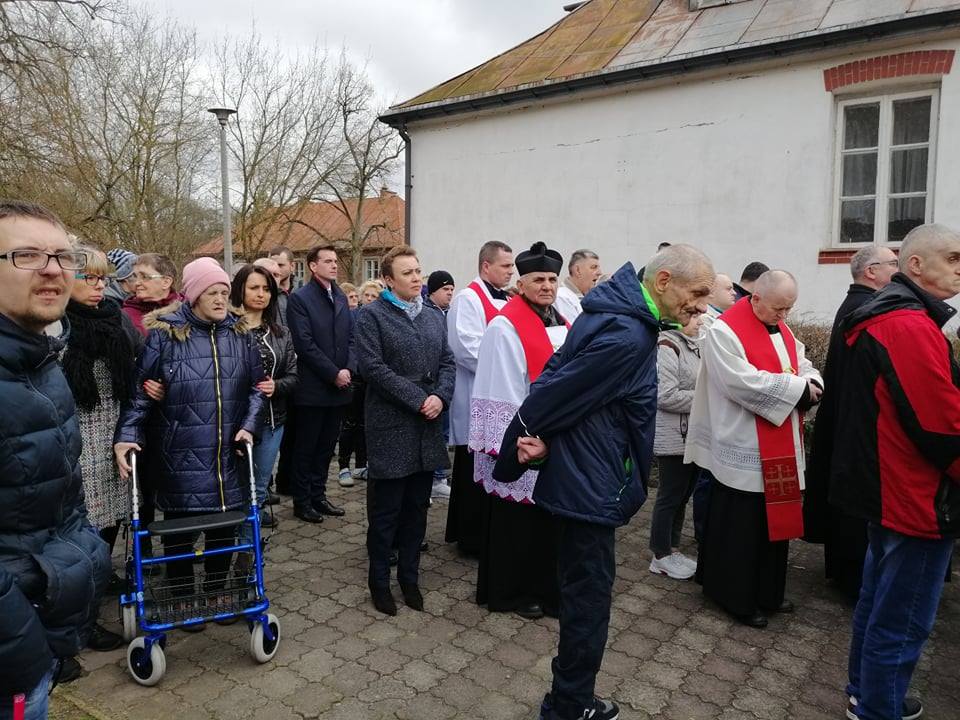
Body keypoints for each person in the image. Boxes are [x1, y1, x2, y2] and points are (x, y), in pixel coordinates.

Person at [494, 245, 714, 720]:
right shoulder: (628, 335)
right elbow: (555, 393)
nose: (702, 306)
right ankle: (569, 705)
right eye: (697, 294)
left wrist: (547, 441)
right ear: (663, 282)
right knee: (588, 603)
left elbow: (558, 375)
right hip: (590, 487)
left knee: (581, 596)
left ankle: (569, 698)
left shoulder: (617, 315)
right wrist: (526, 439)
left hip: (584, 475)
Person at [832, 224, 960, 720]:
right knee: (902, 619)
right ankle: (877, 708)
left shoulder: (892, 316)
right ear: (916, 265)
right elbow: (942, 427)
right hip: (916, 499)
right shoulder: (907, 326)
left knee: (878, 601)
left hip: (892, 490)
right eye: (953, 258)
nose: (959, 269)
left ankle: (865, 693)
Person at [0, 200, 111, 719]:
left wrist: (83, 557)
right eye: (26, 255)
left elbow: (63, 497)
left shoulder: (42, 361)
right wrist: (23, 649)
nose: (52, 269)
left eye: (62, 256)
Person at [114, 257, 266, 614]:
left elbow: (258, 389)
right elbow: (140, 394)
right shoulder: (166, 335)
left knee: (224, 528)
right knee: (179, 533)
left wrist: (249, 425)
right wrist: (126, 436)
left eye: (224, 292)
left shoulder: (240, 334)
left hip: (227, 454)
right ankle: (181, 595)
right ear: (194, 295)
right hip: (179, 452)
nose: (220, 299)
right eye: (212, 292)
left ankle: (215, 590)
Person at [685, 270, 823, 628]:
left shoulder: (780, 326)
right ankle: (734, 596)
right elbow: (741, 383)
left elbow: (801, 363)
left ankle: (768, 591)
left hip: (779, 442)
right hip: (744, 442)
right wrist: (799, 389)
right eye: (779, 308)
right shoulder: (724, 331)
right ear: (756, 298)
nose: (784, 316)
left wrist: (812, 381)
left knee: (772, 524)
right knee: (741, 527)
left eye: (789, 308)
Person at [354, 246, 455, 616]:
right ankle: (379, 583)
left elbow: (448, 362)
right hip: (392, 426)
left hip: (427, 427)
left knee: (417, 511)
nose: (416, 278)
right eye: (407, 273)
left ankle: (410, 579)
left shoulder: (431, 315)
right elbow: (373, 369)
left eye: (418, 271)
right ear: (388, 280)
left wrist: (441, 397)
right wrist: (419, 399)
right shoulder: (371, 316)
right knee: (386, 514)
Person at [471, 242, 569, 619]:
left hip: (555, 434)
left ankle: (546, 587)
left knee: (547, 521)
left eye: (552, 279)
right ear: (522, 283)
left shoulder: (562, 320)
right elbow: (503, 387)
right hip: (524, 435)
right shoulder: (504, 325)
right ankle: (511, 591)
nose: (547, 286)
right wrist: (525, 437)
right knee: (517, 522)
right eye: (538, 279)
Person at [803, 245, 898, 601]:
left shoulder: (861, 304)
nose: (898, 270)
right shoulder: (866, 309)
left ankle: (844, 571)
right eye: (893, 264)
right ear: (871, 271)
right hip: (857, 427)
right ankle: (851, 578)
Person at [62, 245, 142, 652]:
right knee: (81, 530)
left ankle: (102, 579)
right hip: (75, 439)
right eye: (89, 277)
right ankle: (81, 621)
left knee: (111, 520)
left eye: (103, 278)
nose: (98, 286)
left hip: (114, 434)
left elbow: (135, 368)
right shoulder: (56, 327)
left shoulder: (114, 318)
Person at [445, 240, 514, 555]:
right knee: (472, 470)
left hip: (501, 397)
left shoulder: (507, 298)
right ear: (486, 266)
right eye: (505, 266)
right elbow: (465, 348)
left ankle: (490, 534)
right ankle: (470, 537)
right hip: (475, 396)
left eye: (512, 266)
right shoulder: (468, 299)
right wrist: (508, 363)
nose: (511, 272)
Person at [286, 245, 354, 523]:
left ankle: (319, 495)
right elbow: (304, 344)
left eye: (335, 261)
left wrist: (348, 368)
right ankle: (302, 501)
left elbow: (352, 337)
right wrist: (333, 373)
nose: (334, 265)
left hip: (339, 387)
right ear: (313, 266)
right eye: (327, 261)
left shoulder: (339, 295)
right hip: (313, 388)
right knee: (307, 447)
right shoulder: (301, 299)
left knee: (326, 447)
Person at [230, 264, 298, 530]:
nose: (261, 294)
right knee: (234, 489)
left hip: (271, 422)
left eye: (266, 289)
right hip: (234, 423)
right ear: (240, 290)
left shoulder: (281, 333)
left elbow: (294, 376)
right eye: (254, 288)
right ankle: (230, 542)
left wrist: (276, 386)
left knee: (257, 488)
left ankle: (250, 547)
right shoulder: (227, 330)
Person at [648, 314, 702, 580]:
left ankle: (673, 548)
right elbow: (665, 395)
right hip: (674, 436)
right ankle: (660, 555)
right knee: (670, 496)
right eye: (694, 316)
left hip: (693, 435)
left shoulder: (695, 345)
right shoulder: (667, 346)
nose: (700, 321)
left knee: (683, 496)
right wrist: (706, 397)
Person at [425, 270, 456, 499]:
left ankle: (439, 477)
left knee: (444, 432)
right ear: (433, 291)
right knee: (434, 433)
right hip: (431, 385)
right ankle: (433, 479)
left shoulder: (449, 313)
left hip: (446, 383)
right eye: (445, 289)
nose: (450, 293)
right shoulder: (427, 313)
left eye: (452, 289)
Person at [122, 253, 180, 336]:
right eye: (135, 277)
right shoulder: (125, 316)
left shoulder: (188, 311)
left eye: (144, 277)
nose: (137, 283)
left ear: (166, 282)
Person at [554, 249, 601, 323]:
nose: (600, 273)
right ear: (577, 270)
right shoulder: (562, 297)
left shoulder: (588, 298)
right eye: (593, 267)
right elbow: (574, 328)